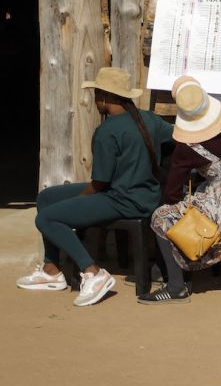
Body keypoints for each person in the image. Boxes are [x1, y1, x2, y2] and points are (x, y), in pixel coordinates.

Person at [17, 67, 171, 307]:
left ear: (105, 97)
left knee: (46, 218)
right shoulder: (149, 119)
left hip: (122, 200)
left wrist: (79, 199)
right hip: (145, 194)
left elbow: (100, 184)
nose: (95, 99)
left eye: (97, 93)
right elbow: (176, 136)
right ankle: (51, 269)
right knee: (47, 197)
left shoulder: (106, 132)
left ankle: (93, 272)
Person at [143, 75, 221, 303]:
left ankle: (175, 286)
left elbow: (172, 192)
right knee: (195, 200)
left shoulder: (188, 146)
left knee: (161, 217)